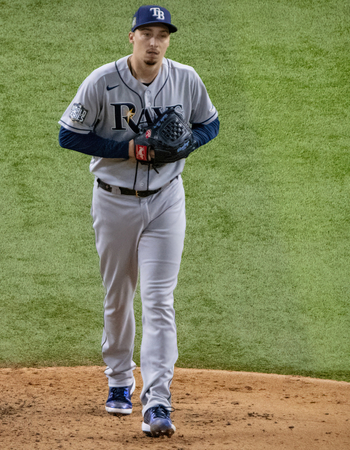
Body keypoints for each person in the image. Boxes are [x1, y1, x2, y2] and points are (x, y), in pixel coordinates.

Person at [57, 5, 220, 438]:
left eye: (162, 35)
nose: (154, 42)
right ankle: (118, 380)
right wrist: (130, 150)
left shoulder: (185, 78)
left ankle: (159, 400)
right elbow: (68, 134)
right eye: (146, 33)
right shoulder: (102, 81)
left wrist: (185, 145)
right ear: (131, 38)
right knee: (118, 296)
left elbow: (210, 124)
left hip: (167, 201)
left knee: (159, 299)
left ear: (168, 40)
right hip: (114, 203)